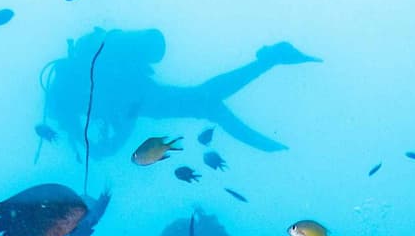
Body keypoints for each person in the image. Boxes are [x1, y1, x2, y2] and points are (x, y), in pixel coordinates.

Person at [40, 28, 320, 157]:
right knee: (204, 101)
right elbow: (115, 114)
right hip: (140, 93)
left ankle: (270, 59)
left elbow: (124, 110)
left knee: (205, 101)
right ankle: (270, 60)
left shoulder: (67, 93)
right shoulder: (74, 87)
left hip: (139, 95)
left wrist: (110, 146)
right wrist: (107, 145)